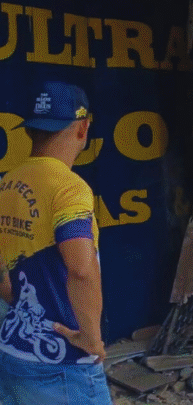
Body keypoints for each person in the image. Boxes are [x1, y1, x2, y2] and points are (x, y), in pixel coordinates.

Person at [0, 81, 110, 405]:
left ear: (30, 130)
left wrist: (13, 297)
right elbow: (81, 269)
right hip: (62, 365)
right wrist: (91, 338)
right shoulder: (69, 188)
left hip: (11, 351)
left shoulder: (7, 184)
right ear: (83, 128)